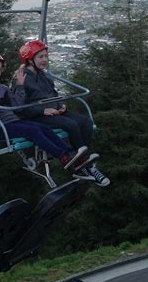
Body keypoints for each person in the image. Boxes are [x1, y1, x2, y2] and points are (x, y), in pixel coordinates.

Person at [0, 51, 89, 172]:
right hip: (0, 127)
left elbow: (17, 105)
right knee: (32, 131)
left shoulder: (3, 88)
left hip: (14, 122)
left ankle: (72, 154)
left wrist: (20, 86)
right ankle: (63, 156)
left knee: (44, 128)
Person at [15, 40, 110, 187]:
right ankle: (86, 166)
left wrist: (61, 105)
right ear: (29, 59)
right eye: (40, 57)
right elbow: (19, 107)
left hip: (54, 111)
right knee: (71, 125)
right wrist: (43, 110)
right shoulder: (21, 78)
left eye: (46, 56)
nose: (44, 60)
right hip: (37, 116)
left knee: (86, 122)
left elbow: (54, 94)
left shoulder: (44, 76)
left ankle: (83, 163)